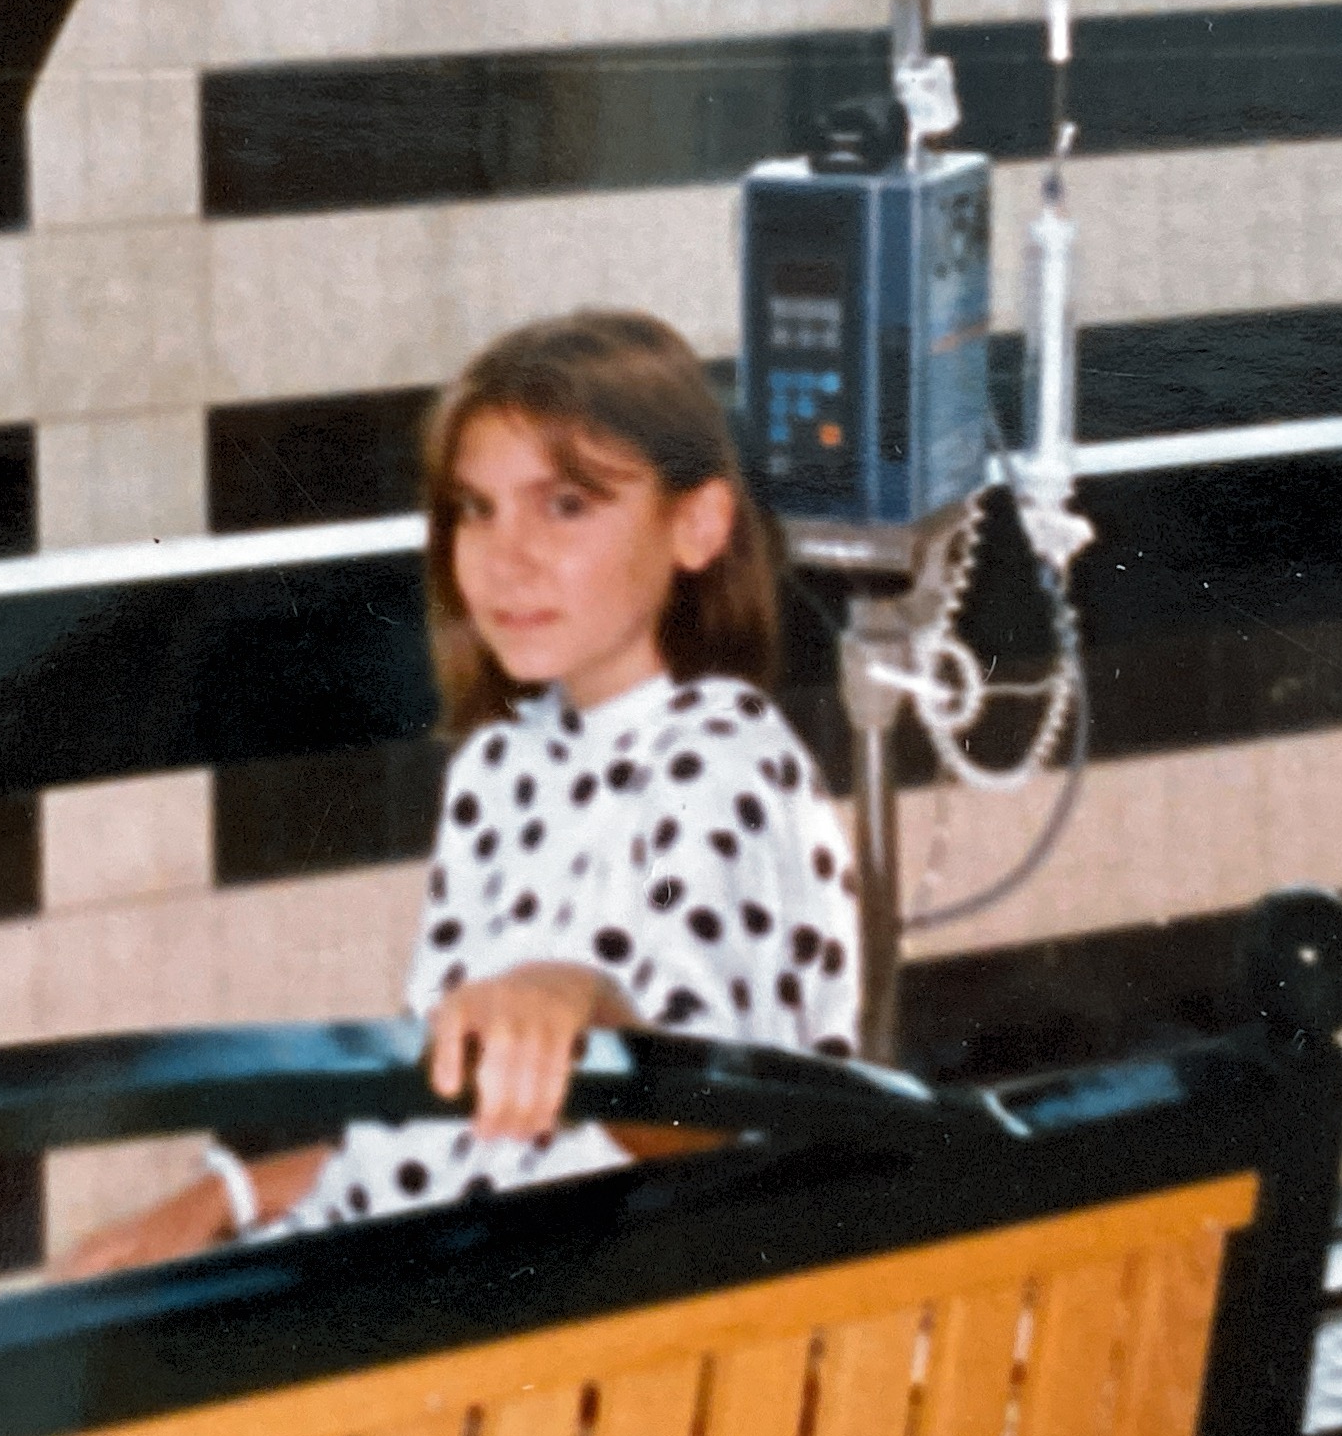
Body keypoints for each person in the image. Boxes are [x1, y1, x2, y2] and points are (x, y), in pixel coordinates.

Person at [59, 308, 862, 1274]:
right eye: (476, 508)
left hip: (528, 1320)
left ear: (697, 524)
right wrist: (222, 1195)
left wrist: (584, 1007)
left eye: (565, 504)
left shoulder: (724, 760)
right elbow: (442, 1142)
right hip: (413, 1268)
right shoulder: (503, 764)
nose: (504, 554)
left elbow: (718, 1121)